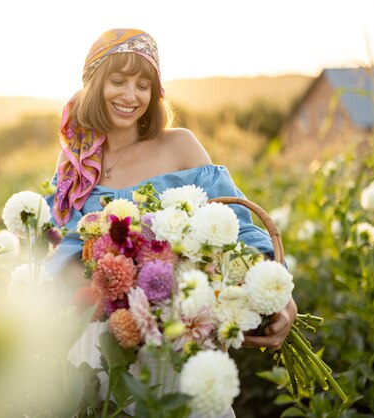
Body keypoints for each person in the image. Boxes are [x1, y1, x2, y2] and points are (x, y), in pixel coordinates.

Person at [45, 28, 297, 414]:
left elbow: (240, 225)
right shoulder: (76, 165)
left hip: (178, 339)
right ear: (95, 84)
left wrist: (275, 289)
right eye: (118, 81)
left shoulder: (179, 145)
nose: (131, 96)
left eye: (143, 85)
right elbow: (58, 253)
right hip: (103, 347)